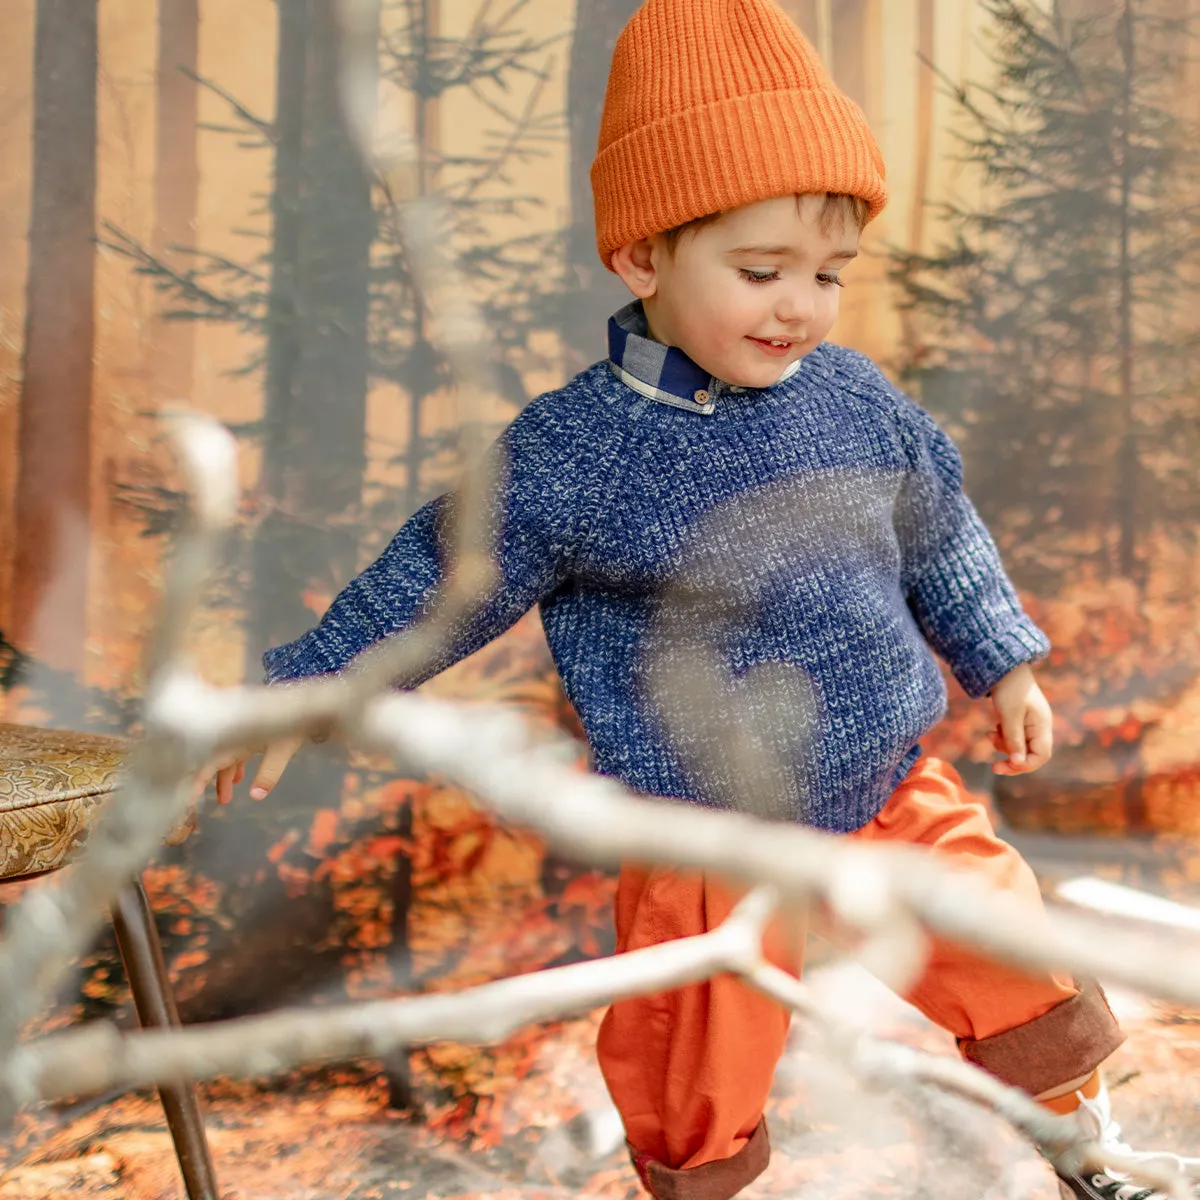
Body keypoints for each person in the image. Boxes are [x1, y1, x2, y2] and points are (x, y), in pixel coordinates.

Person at [199, 2, 1197, 1196]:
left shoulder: (853, 397)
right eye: (761, 270)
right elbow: (437, 574)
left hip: (885, 774)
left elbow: (938, 522)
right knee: (688, 1053)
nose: (800, 307)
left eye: (829, 274)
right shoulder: (571, 450)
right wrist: (309, 683)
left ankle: (1086, 1151)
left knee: (1015, 952)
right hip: (701, 823)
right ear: (644, 255)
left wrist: (1003, 659)